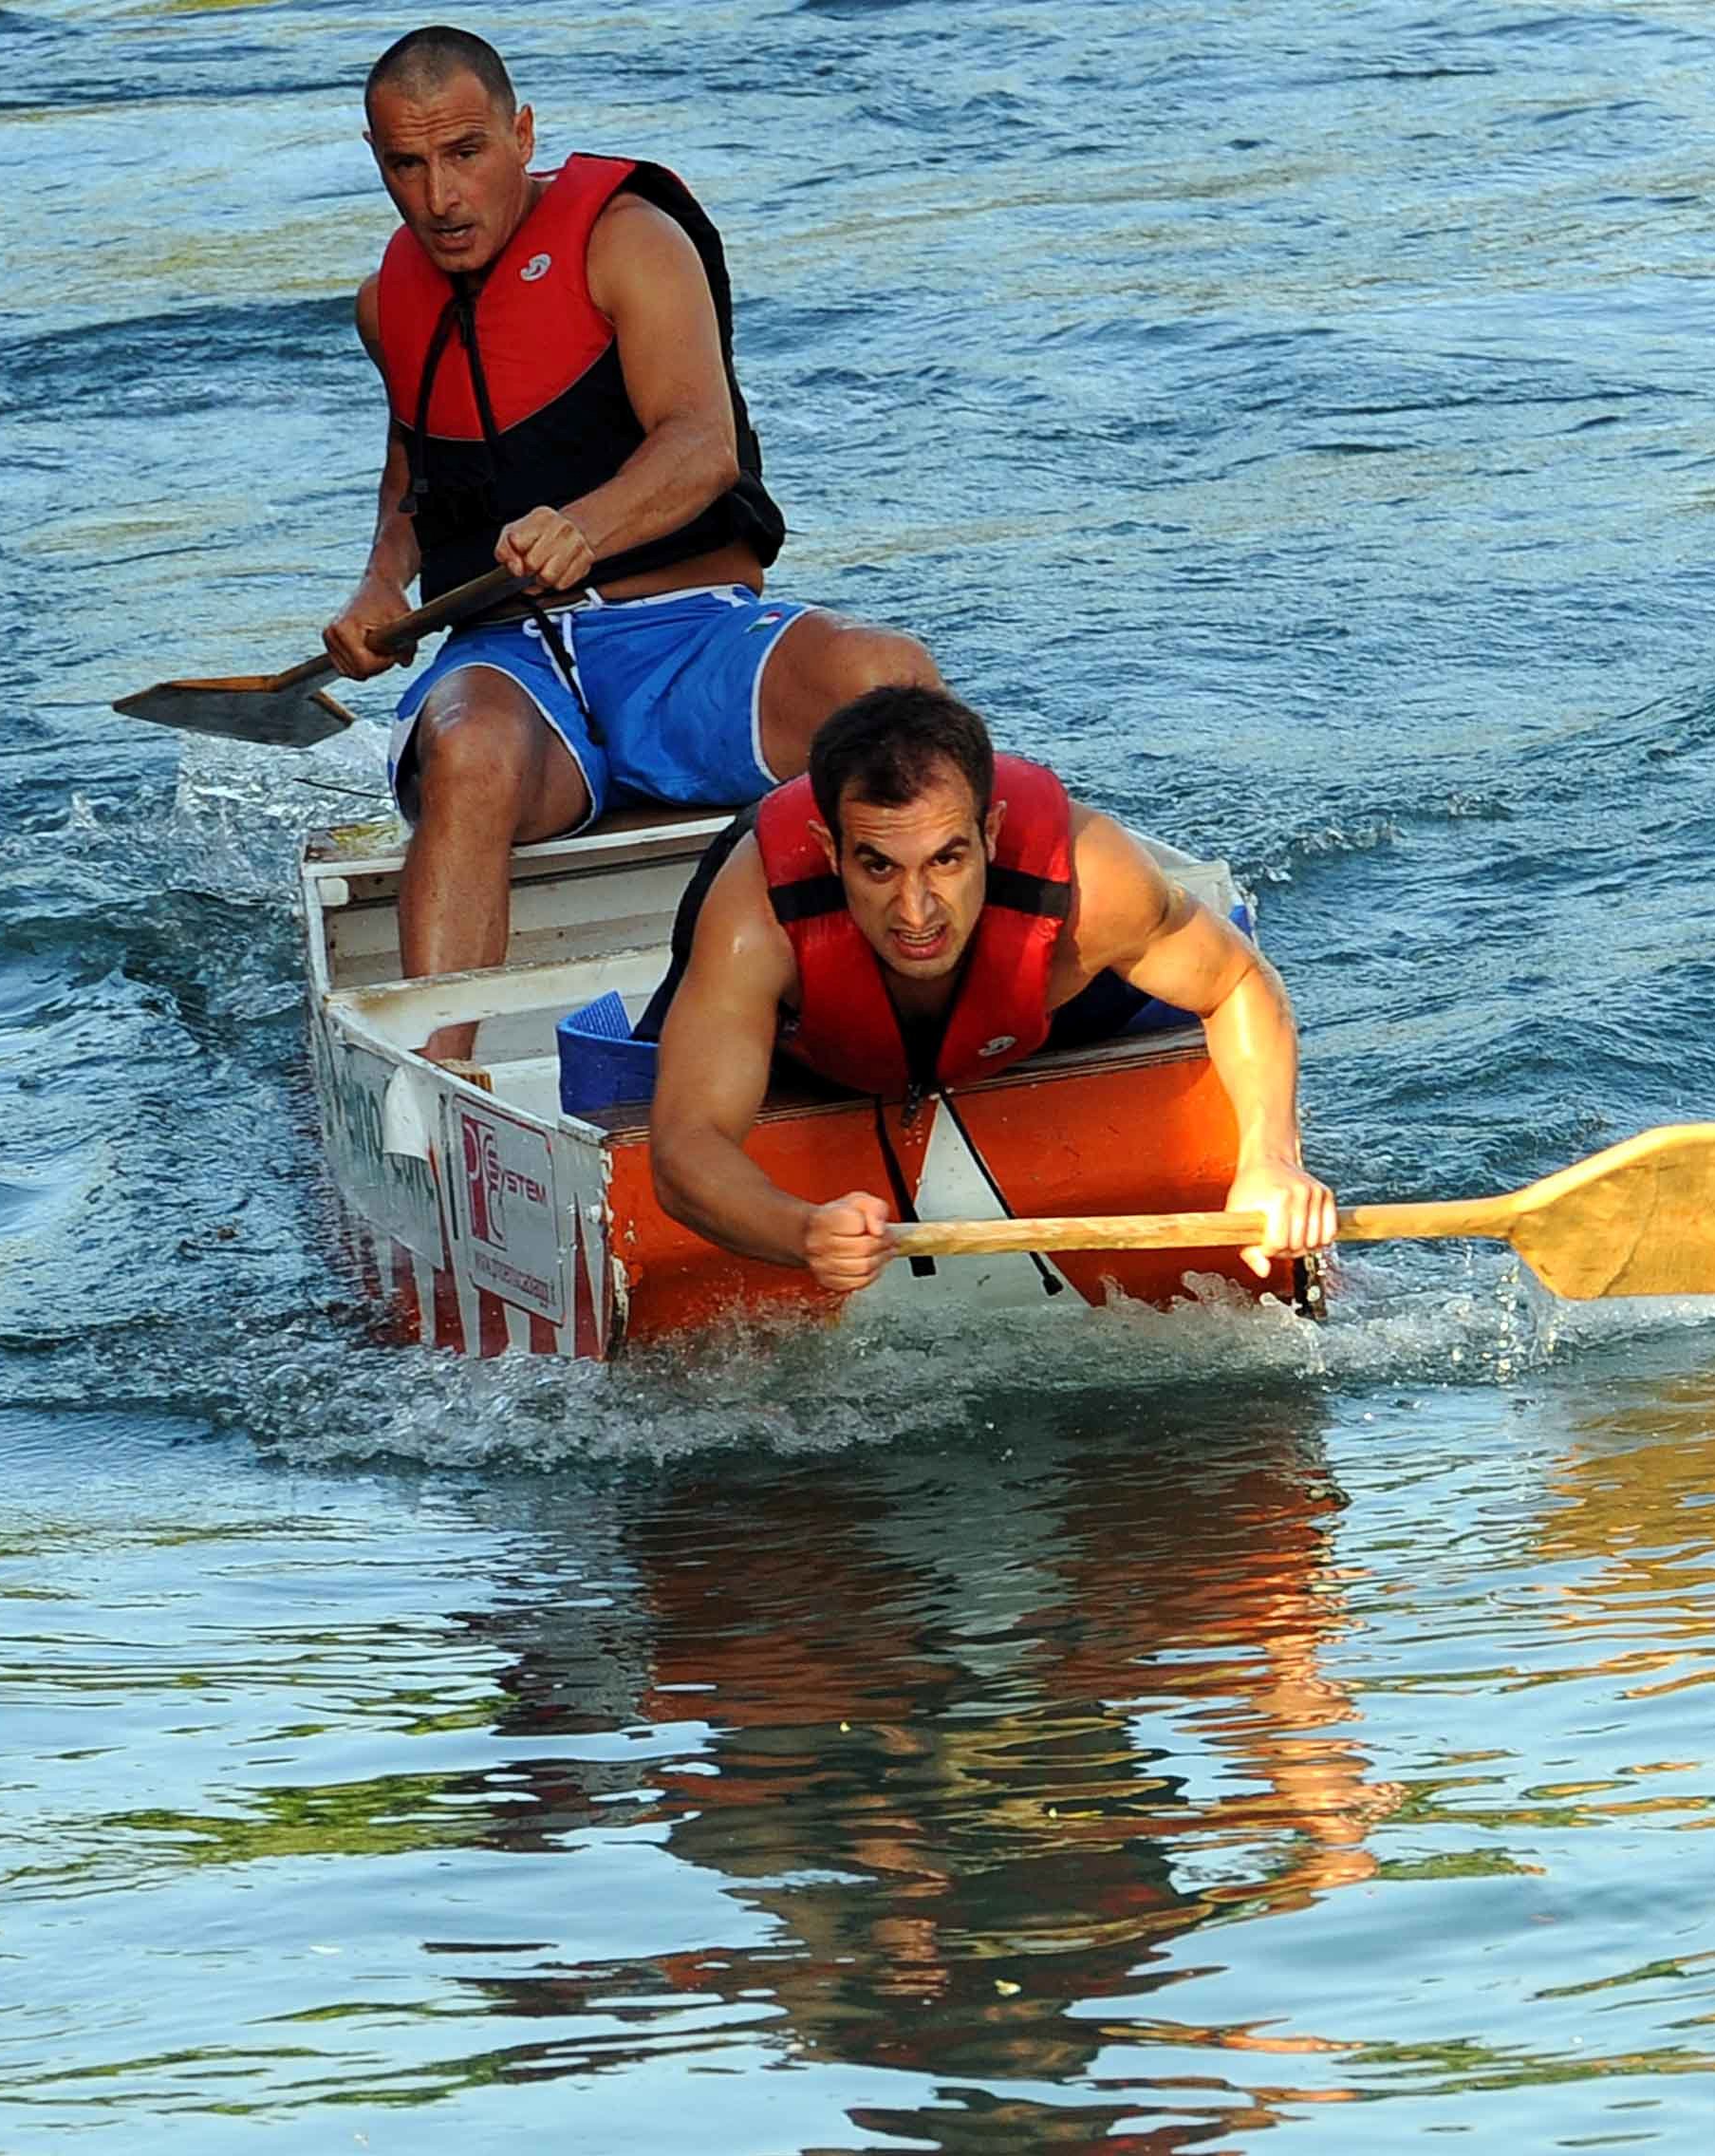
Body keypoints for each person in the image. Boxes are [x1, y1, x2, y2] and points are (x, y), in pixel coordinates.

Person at [326, 27, 938, 1057]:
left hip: (687, 638)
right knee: (465, 750)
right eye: (407, 165)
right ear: (376, 159)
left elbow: (700, 446)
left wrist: (584, 526)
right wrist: (379, 586)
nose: (439, 197)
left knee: (888, 681)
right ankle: (436, 1086)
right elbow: (408, 491)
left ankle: (960, 1001)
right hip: (515, 672)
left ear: (522, 134)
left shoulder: (630, 240)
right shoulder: (389, 305)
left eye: (465, 152)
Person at [642, 683, 1336, 1292]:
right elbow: (686, 1146)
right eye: (879, 867)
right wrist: (799, 1231)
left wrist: (1271, 1159)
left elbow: (1239, 981)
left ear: (991, 834)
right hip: (811, 1037)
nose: (916, 912)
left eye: (946, 860)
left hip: (1035, 997)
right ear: (831, 854)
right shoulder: (756, 919)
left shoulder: (1095, 887)